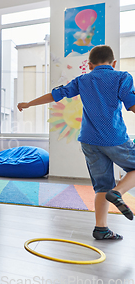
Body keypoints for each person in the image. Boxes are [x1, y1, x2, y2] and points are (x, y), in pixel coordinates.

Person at [18, 45, 135, 240]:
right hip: (114, 138)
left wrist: (28, 103)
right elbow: (132, 105)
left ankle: (101, 229)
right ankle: (118, 192)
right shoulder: (122, 77)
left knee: (101, 186)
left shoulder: (82, 80)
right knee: (114, 187)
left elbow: (56, 94)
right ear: (113, 63)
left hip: (89, 141)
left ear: (89, 65)